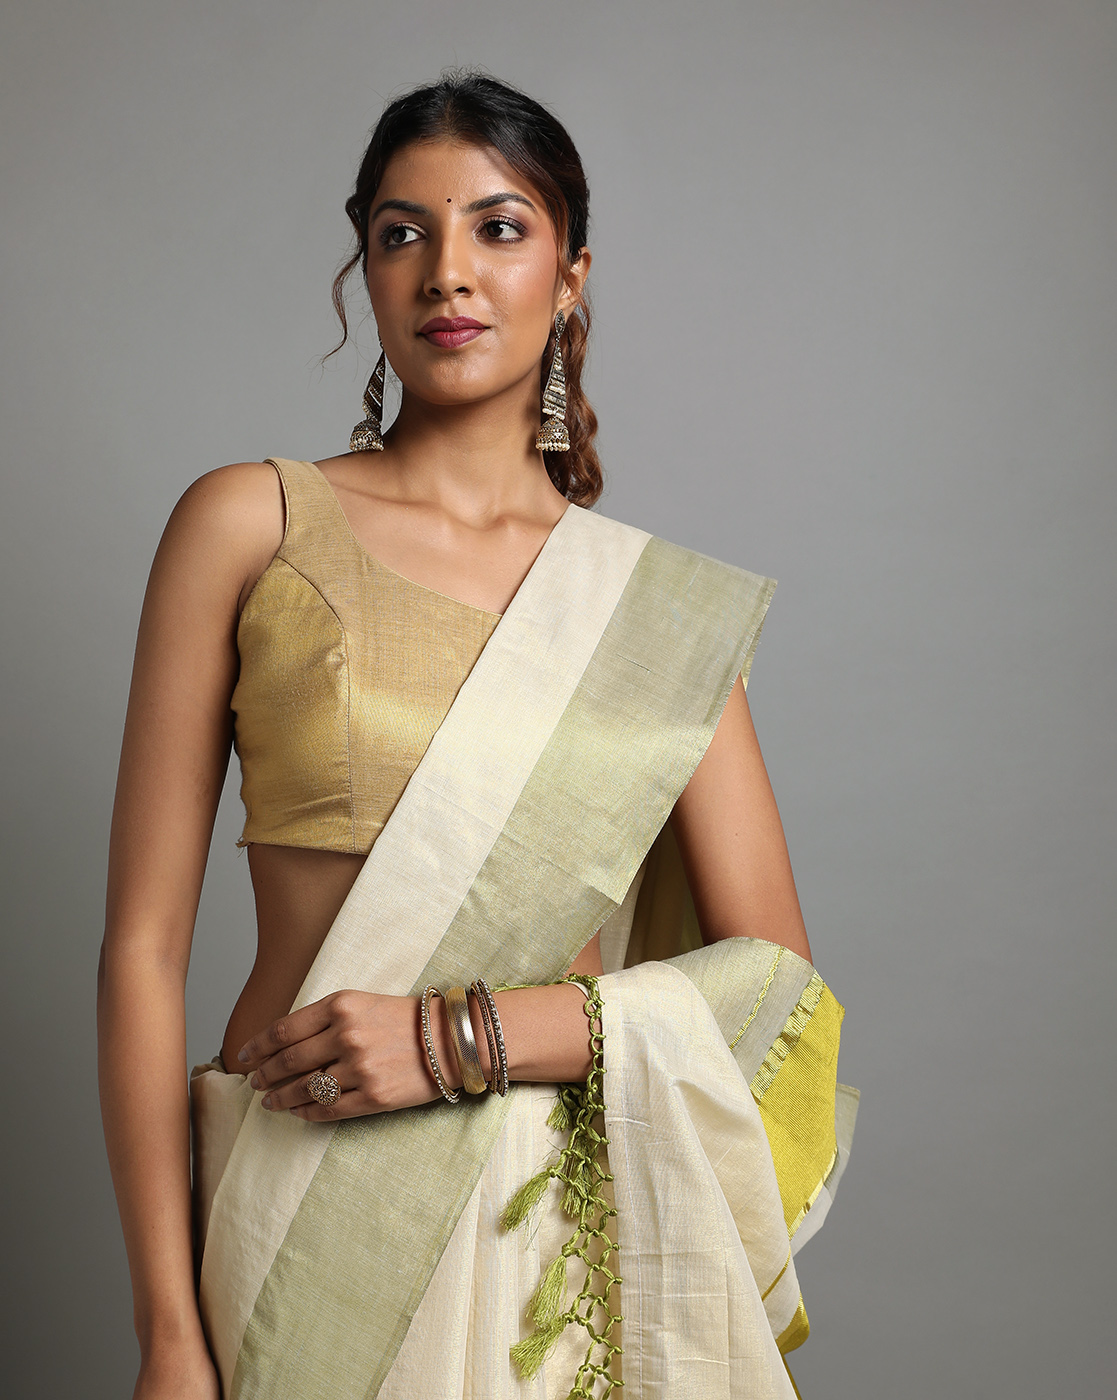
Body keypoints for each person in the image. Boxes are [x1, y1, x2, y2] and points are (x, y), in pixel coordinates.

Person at [98, 71, 857, 1400]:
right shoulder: (252, 525)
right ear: (367, 269)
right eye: (403, 232)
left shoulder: (649, 615)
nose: (446, 270)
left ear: (569, 276)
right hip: (298, 1214)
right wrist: (167, 1332)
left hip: (547, 1229)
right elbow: (141, 952)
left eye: (499, 228)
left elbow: (776, 994)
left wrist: (463, 1039)